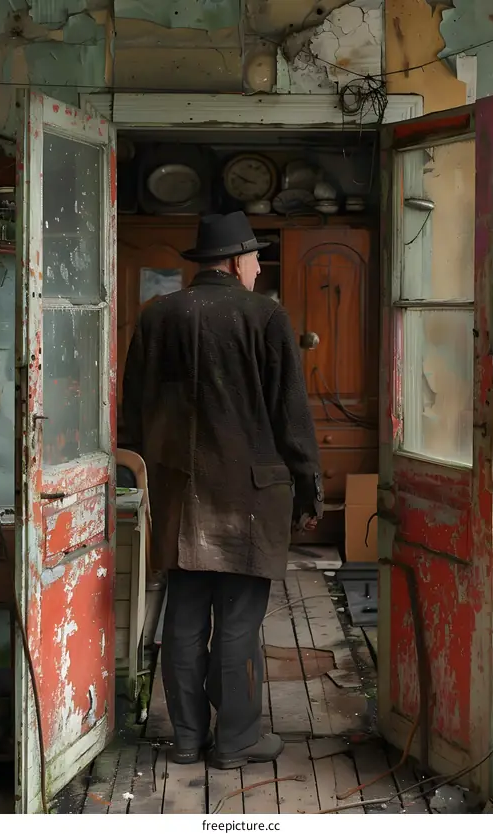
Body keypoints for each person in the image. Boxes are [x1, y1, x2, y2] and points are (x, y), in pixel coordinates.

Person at [123, 211, 323, 770]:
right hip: (248, 501)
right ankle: (235, 741)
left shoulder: (158, 316)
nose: (259, 267)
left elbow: (133, 415)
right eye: (256, 257)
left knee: (183, 619)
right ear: (236, 262)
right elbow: (291, 417)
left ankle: (187, 739)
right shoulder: (264, 316)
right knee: (237, 622)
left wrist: (139, 480)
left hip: (177, 498)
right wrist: (309, 487)